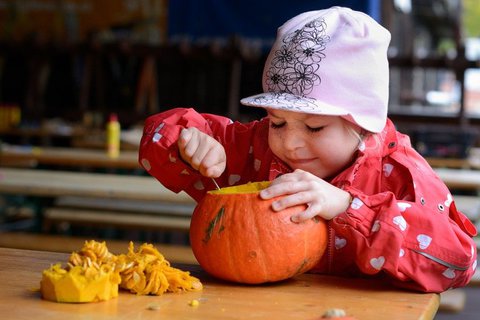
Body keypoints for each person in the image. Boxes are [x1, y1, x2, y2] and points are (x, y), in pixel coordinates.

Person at [138, 6, 477, 292]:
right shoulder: (254, 149)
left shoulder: (402, 174)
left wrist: (349, 207)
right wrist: (188, 142)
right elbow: (157, 139)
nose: (289, 142)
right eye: (277, 122)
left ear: (363, 124)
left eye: (314, 126)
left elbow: (459, 262)